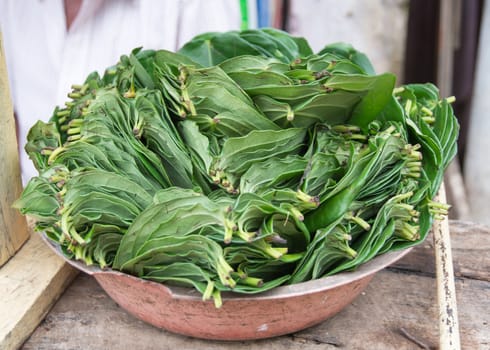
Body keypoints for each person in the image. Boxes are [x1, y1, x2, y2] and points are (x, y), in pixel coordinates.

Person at [0, 0, 241, 183]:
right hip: (30, 234)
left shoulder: (196, 5)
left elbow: (220, 144)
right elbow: (12, 119)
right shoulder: (14, 7)